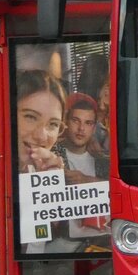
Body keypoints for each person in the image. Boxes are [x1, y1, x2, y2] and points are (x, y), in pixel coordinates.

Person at [55, 92, 110, 245]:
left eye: (88, 123)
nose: (81, 129)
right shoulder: (52, 156)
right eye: (75, 121)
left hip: (102, 242)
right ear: (66, 122)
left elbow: (119, 190)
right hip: (62, 243)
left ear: (94, 127)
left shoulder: (103, 162)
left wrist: (87, 181)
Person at [15, 69, 66, 174]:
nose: (41, 137)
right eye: (31, 117)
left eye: (53, 124)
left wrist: (49, 179)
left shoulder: (44, 168)